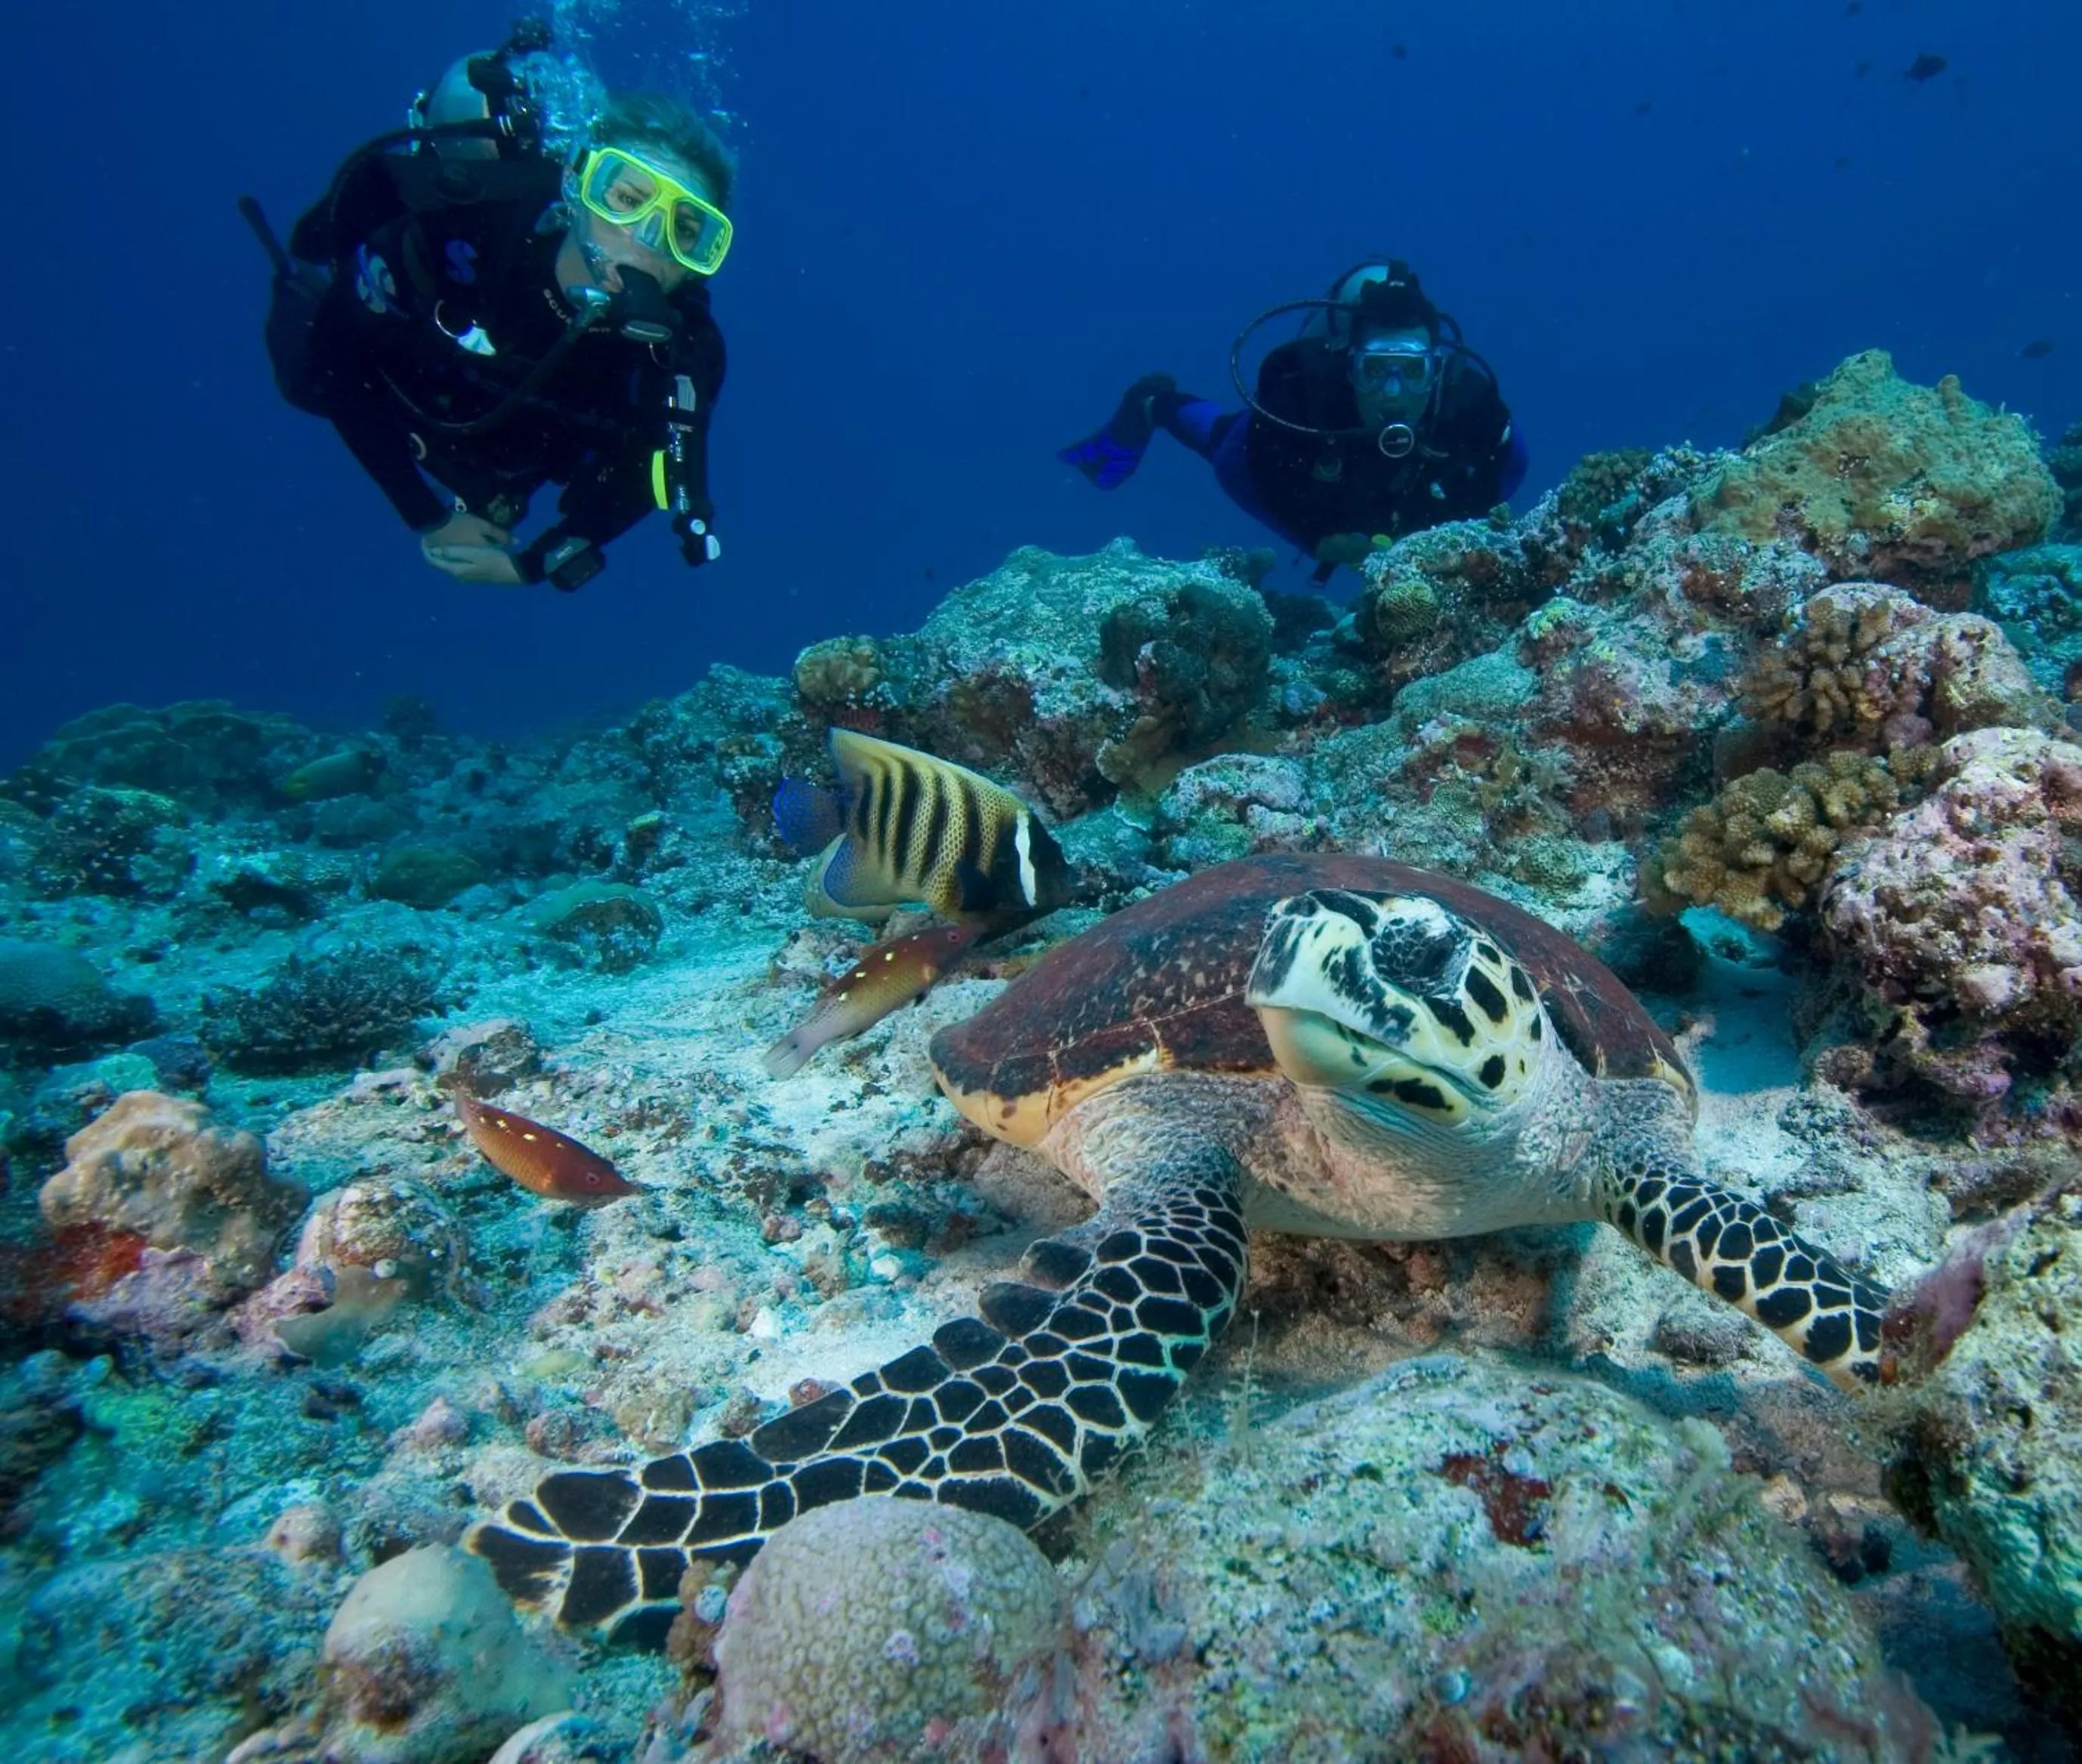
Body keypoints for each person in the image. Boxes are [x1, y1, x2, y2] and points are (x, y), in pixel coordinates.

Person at [246, 29, 732, 591]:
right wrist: (426, 514)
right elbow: (337, 366)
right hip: (406, 383)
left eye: (687, 229)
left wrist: (536, 562)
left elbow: (653, 474)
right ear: (575, 183)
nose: (647, 238)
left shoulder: (687, 351)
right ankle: (296, 281)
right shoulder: (466, 226)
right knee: (305, 376)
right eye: (625, 198)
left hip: (514, 446)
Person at [1059, 260, 1526, 585]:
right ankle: (1153, 402)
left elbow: (1510, 468)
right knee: (1219, 435)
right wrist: (1314, 537)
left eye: (1412, 371)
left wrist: (1447, 534)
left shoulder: (1472, 405)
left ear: (1437, 369)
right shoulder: (1300, 394)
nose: (1392, 393)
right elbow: (1238, 471)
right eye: (1375, 370)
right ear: (1348, 364)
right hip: (1309, 467)